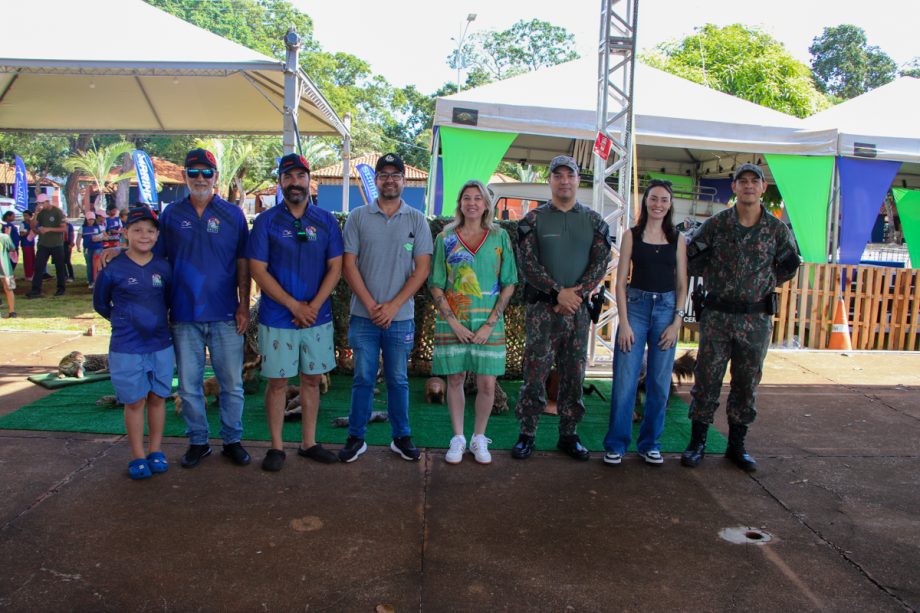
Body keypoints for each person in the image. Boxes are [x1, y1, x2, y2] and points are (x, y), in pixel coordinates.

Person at [682, 163, 800, 472]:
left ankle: (737, 446)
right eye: (742, 181)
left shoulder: (776, 230)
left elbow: (789, 265)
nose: (748, 186)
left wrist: (760, 284)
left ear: (762, 188)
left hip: (756, 319)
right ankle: (697, 443)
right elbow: (692, 257)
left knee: (746, 384)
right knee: (706, 380)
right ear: (734, 187)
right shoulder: (717, 225)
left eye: (754, 181)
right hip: (718, 316)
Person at [512, 155, 612, 461]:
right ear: (550, 180)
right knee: (534, 372)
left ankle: (569, 434)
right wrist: (558, 293)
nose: (564, 180)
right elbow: (527, 264)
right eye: (558, 175)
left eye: (570, 175)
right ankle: (527, 434)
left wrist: (575, 295)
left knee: (574, 373)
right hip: (543, 311)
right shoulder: (532, 220)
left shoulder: (594, 221)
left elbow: (600, 263)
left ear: (578, 180)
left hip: (578, 311)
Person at [247, 154, 343, 471]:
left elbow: (336, 266)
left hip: (317, 316)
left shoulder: (325, 221)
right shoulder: (266, 222)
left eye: (300, 176)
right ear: (280, 182)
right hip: (278, 316)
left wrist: (312, 307)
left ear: (309, 180)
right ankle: (276, 447)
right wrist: (293, 305)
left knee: (312, 380)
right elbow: (258, 270)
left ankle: (309, 443)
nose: (295, 182)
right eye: (288, 177)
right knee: (277, 382)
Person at [339, 153, 433, 463]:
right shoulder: (358, 217)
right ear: (376, 180)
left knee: (398, 379)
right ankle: (356, 437)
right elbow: (348, 265)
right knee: (363, 378)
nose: (389, 179)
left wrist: (393, 306)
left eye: (396, 175)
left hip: (401, 318)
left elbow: (421, 269)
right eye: (384, 174)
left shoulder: (417, 219)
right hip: (363, 317)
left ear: (404, 181)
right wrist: (370, 304)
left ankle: (401, 436)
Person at [429, 180, 517, 464]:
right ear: (460, 203)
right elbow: (436, 284)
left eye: (478, 198)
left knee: (487, 384)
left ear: (486, 204)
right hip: (454, 321)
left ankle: (479, 437)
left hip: (488, 322)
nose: (472, 203)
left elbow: (509, 283)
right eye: (466, 198)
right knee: (454, 378)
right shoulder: (446, 238)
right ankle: (458, 438)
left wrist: (490, 324)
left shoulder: (500, 237)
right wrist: (453, 323)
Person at [603, 180, 688, 466]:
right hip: (636, 310)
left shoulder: (677, 238)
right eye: (653, 198)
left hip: (666, 311)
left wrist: (677, 322)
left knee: (659, 383)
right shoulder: (631, 235)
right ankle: (616, 444)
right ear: (645, 201)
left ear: (670, 204)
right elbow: (620, 282)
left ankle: (650, 443)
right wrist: (623, 323)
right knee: (625, 380)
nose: (658, 204)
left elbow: (681, 283)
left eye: (664, 199)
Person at [93, 205, 174, 479]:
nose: (144, 235)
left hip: (160, 343)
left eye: (150, 231)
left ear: (157, 235)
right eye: (137, 230)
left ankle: (156, 450)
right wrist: (124, 321)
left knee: (158, 397)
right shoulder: (112, 268)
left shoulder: (163, 267)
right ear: (126, 233)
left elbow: (170, 301)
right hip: (127, 346)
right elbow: (101, 304)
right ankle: (138, 455)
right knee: (135, 401)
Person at [26, 194, 67, 298]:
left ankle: (61, 288)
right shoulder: (41, 213)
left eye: (41, 203)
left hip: (57, 244)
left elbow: (64, 229)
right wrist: (35, 214)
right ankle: (36, 290)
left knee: (60, 267)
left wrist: (48, 229)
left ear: (47, 202)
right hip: (43, 244)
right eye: (38, 203)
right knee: (38, 267)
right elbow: (32, 226)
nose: (40, 205)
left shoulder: (57, 212)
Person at [78, 212, 105, 288]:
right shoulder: (82, 228)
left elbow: (105, 236)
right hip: (87, 249)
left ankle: (96, 280)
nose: (91, 221)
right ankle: (90, 281)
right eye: (89, 219)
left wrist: (99, 238)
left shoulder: (100, 227)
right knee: (89, 265)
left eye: (92, 219)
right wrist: (78, 246)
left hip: (97, 248)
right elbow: (79, 237)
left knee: (96, 264)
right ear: (86, 220)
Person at [0, 232, 16, 318]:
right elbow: (12, 248)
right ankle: (12, 311)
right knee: (9, 289)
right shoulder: (5, 237)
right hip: (6, 268)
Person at [1, 211, 20, 275]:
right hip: (11, 247)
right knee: (11, 262)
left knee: (13, 262)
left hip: (14, 246)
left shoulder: (9, 225)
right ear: (8, 216)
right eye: (13, 216)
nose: (14, 217)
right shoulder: (6, 225)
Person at [20, 209, 35, 281]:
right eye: (24, 216)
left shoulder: (32, 223)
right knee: (27, 260)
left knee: (32, 259)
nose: (25, 217)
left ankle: (32, 273)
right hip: (25, 244)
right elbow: (22, 234)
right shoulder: (23, 224)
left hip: (31, 244)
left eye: (26, 216)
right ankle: (28, 275)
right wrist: (29, 230)